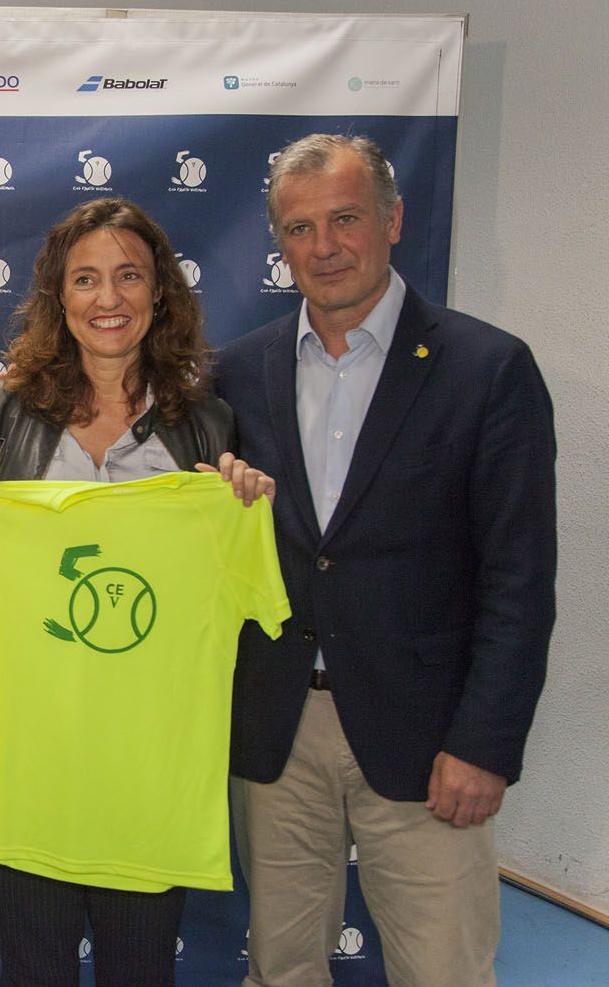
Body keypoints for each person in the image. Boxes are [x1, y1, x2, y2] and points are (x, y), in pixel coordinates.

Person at [217, 134, 556, 987]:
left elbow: (518, 580)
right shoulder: (236, 374)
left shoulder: (488, 370)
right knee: (281, 972)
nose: (323, 247)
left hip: (430, 740)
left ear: (394, 220)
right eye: (298, 229)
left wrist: (485, 744)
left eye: (344, 219)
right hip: (276, 733)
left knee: (443, 972)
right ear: (279, 244)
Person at [0, 197, 273, 987]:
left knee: (140, 972)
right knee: (36, 972)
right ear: (58, 297)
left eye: (128, 276)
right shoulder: (0, 415)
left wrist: (242, 505)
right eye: (85, 279)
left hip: (151, 765)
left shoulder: (206, 426)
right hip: (32, 760)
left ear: (161, 293)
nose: (108, 298)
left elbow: (228, 574)